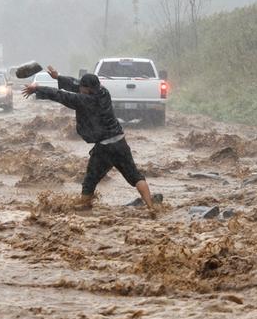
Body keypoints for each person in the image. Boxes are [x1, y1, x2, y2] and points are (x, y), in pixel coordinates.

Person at [22, 65, 158, 211]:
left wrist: (37, 88)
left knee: (90, 181)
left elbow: (61, 95)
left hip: (104, 147)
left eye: (82, 88)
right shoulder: (104, 92)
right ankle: (151, 207)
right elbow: (76, 85)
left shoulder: (85, 101)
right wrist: (58, 77)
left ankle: (83, 209)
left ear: (87, 89)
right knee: (135, 176)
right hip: (120, 142)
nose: (79, 89)